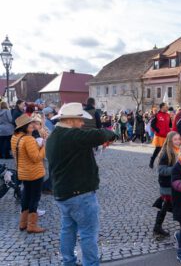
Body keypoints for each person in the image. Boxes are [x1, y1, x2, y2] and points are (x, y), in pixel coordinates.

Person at [46, 103, 116, 266]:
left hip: (63, 194)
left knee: (68, 230)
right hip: (80, 194)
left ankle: (69, 262)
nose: (82, 123)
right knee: (88, 234)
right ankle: (90, 264)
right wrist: (111, 135)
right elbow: (100, 134)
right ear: (70, 120)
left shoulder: (53, 136)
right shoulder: (72, 136)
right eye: (80, 120)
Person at [11, 114, 46, 233]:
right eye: (30, 124)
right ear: (24, 126)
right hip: (34, 173)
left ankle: (23, 223)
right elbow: (36, 158)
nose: (33, 125)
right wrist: (43, 147)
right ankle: (32, 225)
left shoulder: (15, 137)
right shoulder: (28, 139)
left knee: (26, 196)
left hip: (23, 172)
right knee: (34, 198)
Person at [153, 131, 181, 236]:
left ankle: (157, 226)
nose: (178, 141)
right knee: (176, 205)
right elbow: (161, 170)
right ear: (169, 141)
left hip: (174, 183)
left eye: (179, 139)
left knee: (167, 204)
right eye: (175, 139)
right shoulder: (166, 153)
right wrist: (176, 168)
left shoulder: (178, 150)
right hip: (167, 183)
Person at [149, 103, 171, 169]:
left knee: (167, 150)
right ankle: (152, 161)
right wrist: (158, 130)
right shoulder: (157, 115)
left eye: (167, 107)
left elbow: (170, 125)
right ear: (162, 107)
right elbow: (152, 124)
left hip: (167, 136)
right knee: (158, 150)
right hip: (159, 136)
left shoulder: (168, 115)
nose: (167, 108)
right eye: (166, 107)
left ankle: (165, 163)